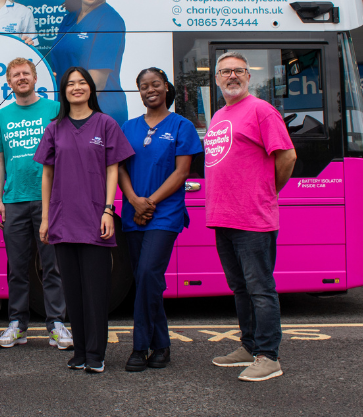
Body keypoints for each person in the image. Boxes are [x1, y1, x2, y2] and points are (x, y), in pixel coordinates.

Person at [205, 52, 296, 383]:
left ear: (248, 77)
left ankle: (268, 356)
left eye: (238, 71)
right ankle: (249, 346)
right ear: (216, 79)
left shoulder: (261, 110)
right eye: (225, 72)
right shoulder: (219, 115)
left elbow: (287, 155)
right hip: (223, 219)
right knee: (240, 289)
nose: (231, 76)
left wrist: (268, 191)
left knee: (260, 289)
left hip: (253, 219)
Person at [35, 67, 134, 373]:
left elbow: (112, 170)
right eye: (70, 84)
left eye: (82, 83)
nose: (77, 88)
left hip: (94, 218)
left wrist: (108, 209)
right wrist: (46, 218)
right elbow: (47, 173)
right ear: (63, 92)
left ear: (91, 88)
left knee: (97, 290)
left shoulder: (105, 124)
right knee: (73, 292)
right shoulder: (55, 128)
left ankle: (96, 353)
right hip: (63, 219)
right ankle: (79, 351)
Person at [118, 68, 201, 372]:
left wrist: (149, 202)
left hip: (164, 214)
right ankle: (162, 344)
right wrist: (134, 201)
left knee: (149, 273)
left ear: (166, 88)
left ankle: (140, 347)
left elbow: (181, 173)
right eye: (143, 86)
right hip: (133, 213)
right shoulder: (128, 127)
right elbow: (120, 169)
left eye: (155, 84)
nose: (149, 90)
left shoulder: (182, 126)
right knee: (145, 279)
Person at [0, 57, 71, 350]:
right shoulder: (1, 117)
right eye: (15, 75)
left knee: (53, 266)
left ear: (36, 78)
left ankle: (57, 324)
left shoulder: (54, 110)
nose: (21, 78)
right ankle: (17, 325)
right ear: (9, 83)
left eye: (25, 73)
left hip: (50, 201)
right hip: (14, 201)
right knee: (17, 267)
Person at [48, 0, 128, 125]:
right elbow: (56, 69)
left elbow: (95, 83)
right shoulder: (69, 19)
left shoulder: (109, 20)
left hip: (98, 114)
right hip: (69, 111)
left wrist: (71, 120)